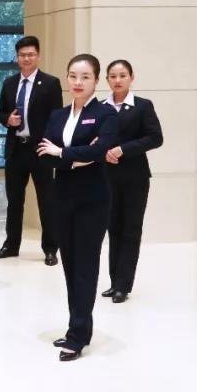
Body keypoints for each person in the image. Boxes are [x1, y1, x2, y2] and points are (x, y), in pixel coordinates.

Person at [36, 54, 117, 361]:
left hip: (92, 200)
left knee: (85, 265)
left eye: (85, 77)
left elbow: (100, 151)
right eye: (73, 76)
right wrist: (75, 156)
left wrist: (62, 152)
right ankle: (77, 326)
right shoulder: (58, 115)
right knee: (70, 265)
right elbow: (43, 153)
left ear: (96, 80)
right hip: (62, 197)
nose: (78, 82)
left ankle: (78, 336)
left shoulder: (105, 114)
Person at [0, 35, 63, 266]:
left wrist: (51, 145)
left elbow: (57, 118)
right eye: (22, 55)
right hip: (16, 149)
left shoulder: (50, 83)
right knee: (14, 201)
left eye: (31, 54)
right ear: (17, 57)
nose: (27, 58)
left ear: (38, 56)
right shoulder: (9, 83)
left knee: (47, 201)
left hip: (40, 150)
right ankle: (11, 245)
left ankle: (50, 248)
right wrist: (7, 120)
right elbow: (0, 112)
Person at [102, 60, 163, 304]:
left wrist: (123, 149)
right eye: (113, 76)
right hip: (107, 177)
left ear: (131, 77)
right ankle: (114, 281)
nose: (117, 80)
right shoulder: (101, 107)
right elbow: (94, 137)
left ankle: (123, 286)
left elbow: (155, 138)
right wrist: (103, 151)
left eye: (122, 75)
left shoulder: (143, 106)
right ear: (107, 79)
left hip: (135, 178)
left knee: (130, 229)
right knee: (113, 228)